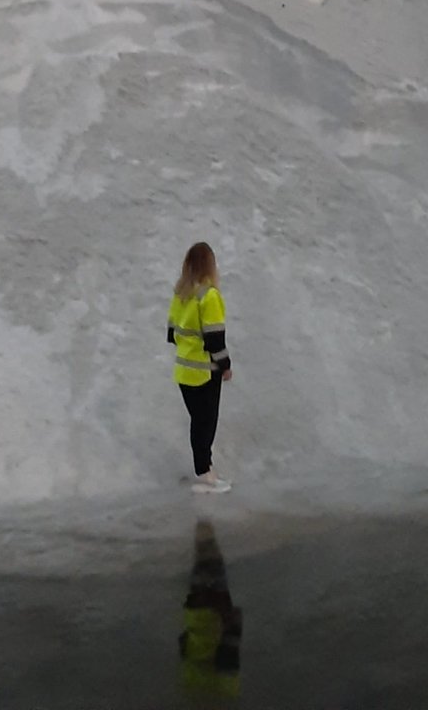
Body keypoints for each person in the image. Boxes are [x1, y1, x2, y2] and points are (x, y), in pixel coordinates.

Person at [167, 242, 233, 494]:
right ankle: (205, 474)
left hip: (184, 369)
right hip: (205, 370)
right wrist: (225, 365)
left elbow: (172, 333)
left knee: (198, 422)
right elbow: (215, 338)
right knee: (206, 423)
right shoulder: (209, 295)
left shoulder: (181, 294)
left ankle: (204, 469)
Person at [179, 519, 242, 698]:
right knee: (209, 571)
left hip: (204, 620)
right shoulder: (218, 690)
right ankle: (206, 542)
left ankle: (206, 542)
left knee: (208, 571)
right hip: (203, 619)